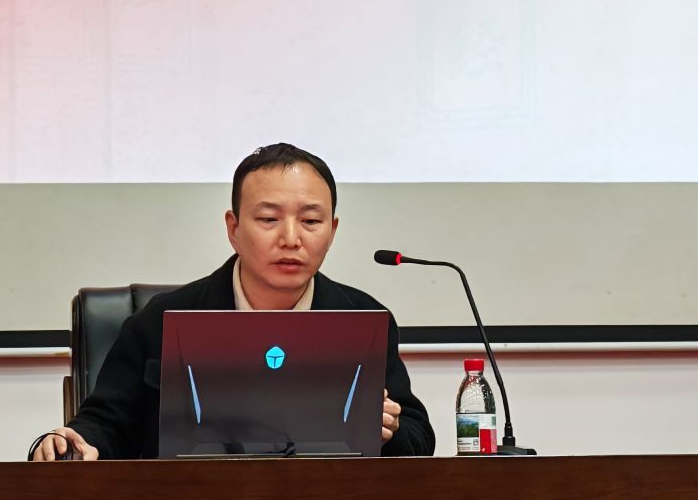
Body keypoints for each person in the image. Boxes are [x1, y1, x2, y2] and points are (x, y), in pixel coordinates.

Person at [30, 143, 435, 460]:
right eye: (269, 219)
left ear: (332, 230)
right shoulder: (159, 321)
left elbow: (419, 439)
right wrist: (69, 443)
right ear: (234, 228)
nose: (291, 238)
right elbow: (105, 426)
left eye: (311, 221)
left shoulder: (361, 319)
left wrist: (390, 431)